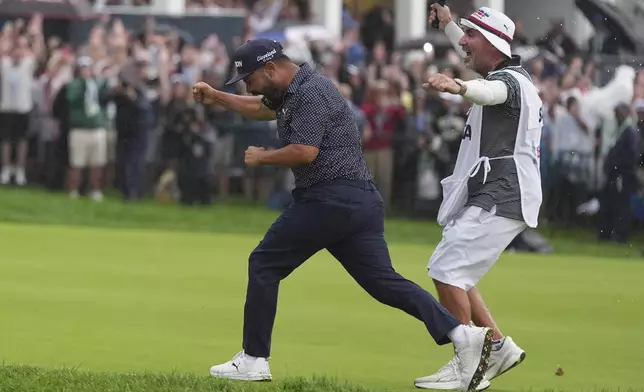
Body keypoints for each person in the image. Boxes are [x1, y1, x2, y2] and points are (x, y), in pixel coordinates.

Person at [192, 38, 493, 392]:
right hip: (357, 202)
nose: (247, 86)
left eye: (249, 79)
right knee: (383, 283)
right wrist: (218, 97)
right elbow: (262, 108)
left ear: (271, 69)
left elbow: (305, 151)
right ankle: (463, 336)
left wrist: (263, 156)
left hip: (328, 199)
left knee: (264, 263)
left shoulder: (310, 93)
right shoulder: (293, 92)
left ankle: (254, 359)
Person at [415, 4, 543, 390]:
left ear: (492, 43)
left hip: (504, 189)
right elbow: (478, 62)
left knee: (446, 269)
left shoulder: (509, 82)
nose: (463, 44)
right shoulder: (506, 71)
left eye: (471, 36)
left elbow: (491, 92)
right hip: (499, 189)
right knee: (459, 271)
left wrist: (458, 87)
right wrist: (449, 25)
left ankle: (468, 363)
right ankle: (498, 346)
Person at [597, 102, 642, 243]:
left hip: (623, 174)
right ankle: (609, 233)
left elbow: (629, 155)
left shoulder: (629, 130)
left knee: (622, 205)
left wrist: (619, 168)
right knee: (612, 202)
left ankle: (620, 235)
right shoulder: (621, 129)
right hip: (615, 173)